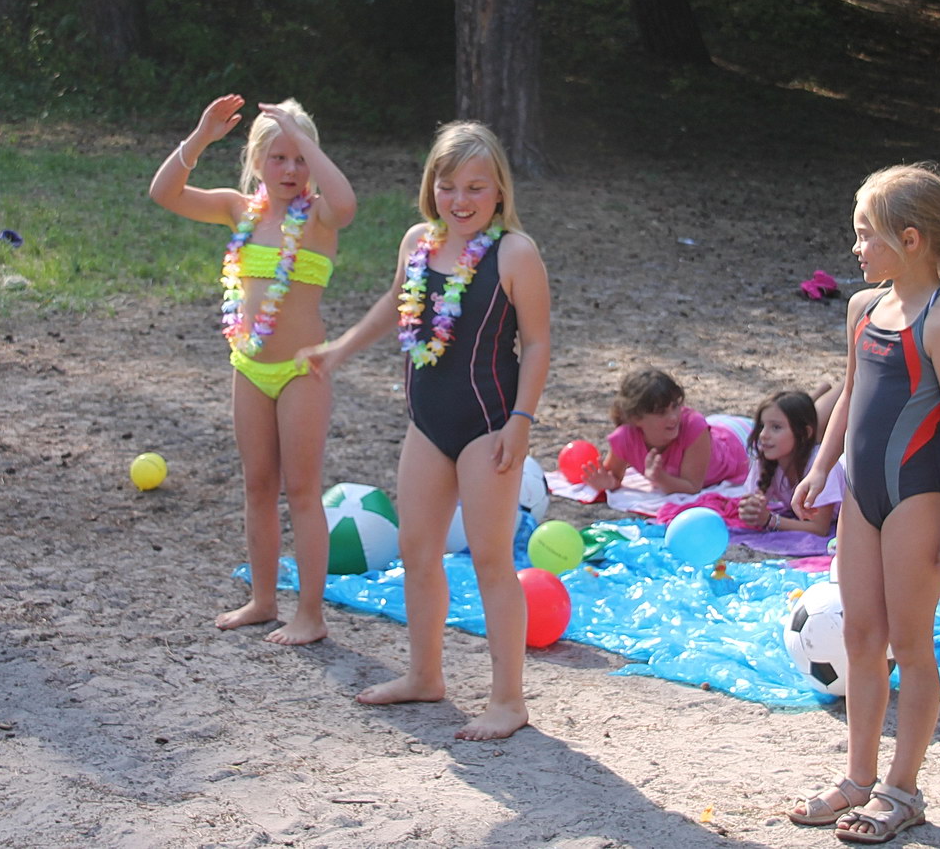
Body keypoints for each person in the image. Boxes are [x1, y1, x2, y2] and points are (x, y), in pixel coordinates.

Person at [303, 122, 549, 740]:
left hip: (488, 424)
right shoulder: (418, 242)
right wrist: (339, 349)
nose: (460, 200)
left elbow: (538, 343)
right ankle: (424, 674)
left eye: (475, 187)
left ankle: (508, 699)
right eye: (448, 186)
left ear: (499, 191)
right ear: (430, 187)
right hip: (427, 424)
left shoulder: (514, 254)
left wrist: (521, 422)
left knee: (491, 559)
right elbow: (396, 303)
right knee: (416, 550)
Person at [788, 163, 940, 843]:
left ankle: (902, 789)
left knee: (911, 644)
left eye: (867, 234)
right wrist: (821, 468)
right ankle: (857, 778)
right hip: (861, 495)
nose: (856, 248)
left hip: (916, 497)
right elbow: (848, 392)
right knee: (860, 638)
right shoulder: (862, 309)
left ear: (912, 239)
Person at [148, 94, 355, 645]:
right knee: (258, 486)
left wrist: (305, 138)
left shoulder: (320, 217)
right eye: (278, 157)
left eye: (300, 159)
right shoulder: (239, 210)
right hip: (250, 367)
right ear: (257, 160)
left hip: (301, 372)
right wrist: (200, 136)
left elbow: (347, 204)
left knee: (302, 490)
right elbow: (164, 193)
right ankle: (263, 600)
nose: (290, 170)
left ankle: (310, 614)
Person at [584, 368, 748, 496]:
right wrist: (607, 483)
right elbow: (614, 477)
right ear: (636, 418)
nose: (673, 417)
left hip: (739, 440)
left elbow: (693, 486)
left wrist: (660, 478)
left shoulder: (694, 427)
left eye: (675, 406)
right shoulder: (624, 438)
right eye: (661, 412)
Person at [737, 389, 835, 536]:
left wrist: (770, 520)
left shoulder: (820, 464)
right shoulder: (766, 459)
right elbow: (754, 500)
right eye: (762, 426)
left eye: (776, 427)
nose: (763, 435)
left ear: (804, 433)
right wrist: (750, 509)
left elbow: (820, 528)